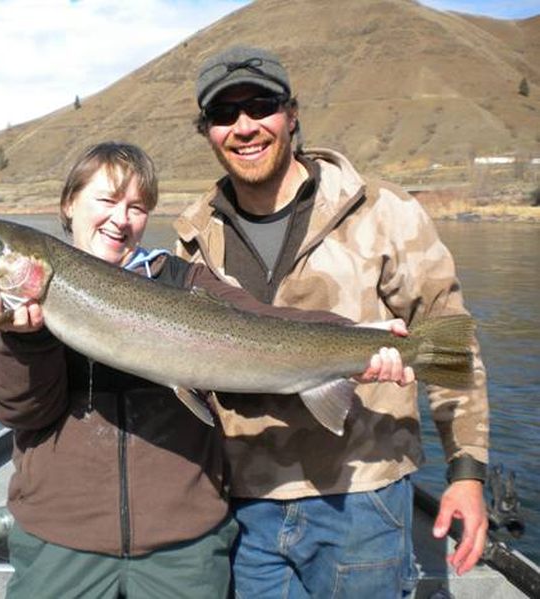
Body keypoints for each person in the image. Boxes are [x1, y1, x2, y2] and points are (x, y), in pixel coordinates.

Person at [0, 141, 410, 598]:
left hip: (182, 545)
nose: (120, 219)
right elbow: (18, 411)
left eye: (137, 207)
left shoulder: (184, 280)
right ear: (70, 203)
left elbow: (266, 323)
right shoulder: (28, 305)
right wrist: (24, 341)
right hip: (60, 539)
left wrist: (358, 336)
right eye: (106, 201)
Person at [174, 46, 490, 598]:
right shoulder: (194, 234)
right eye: (225, 115)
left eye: (261, 106)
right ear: (208, 131)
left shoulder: (381, 210)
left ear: (291, 115)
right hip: (245, 505)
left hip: (362, 497)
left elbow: (449, 344)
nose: (244, 127)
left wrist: (466, 472)